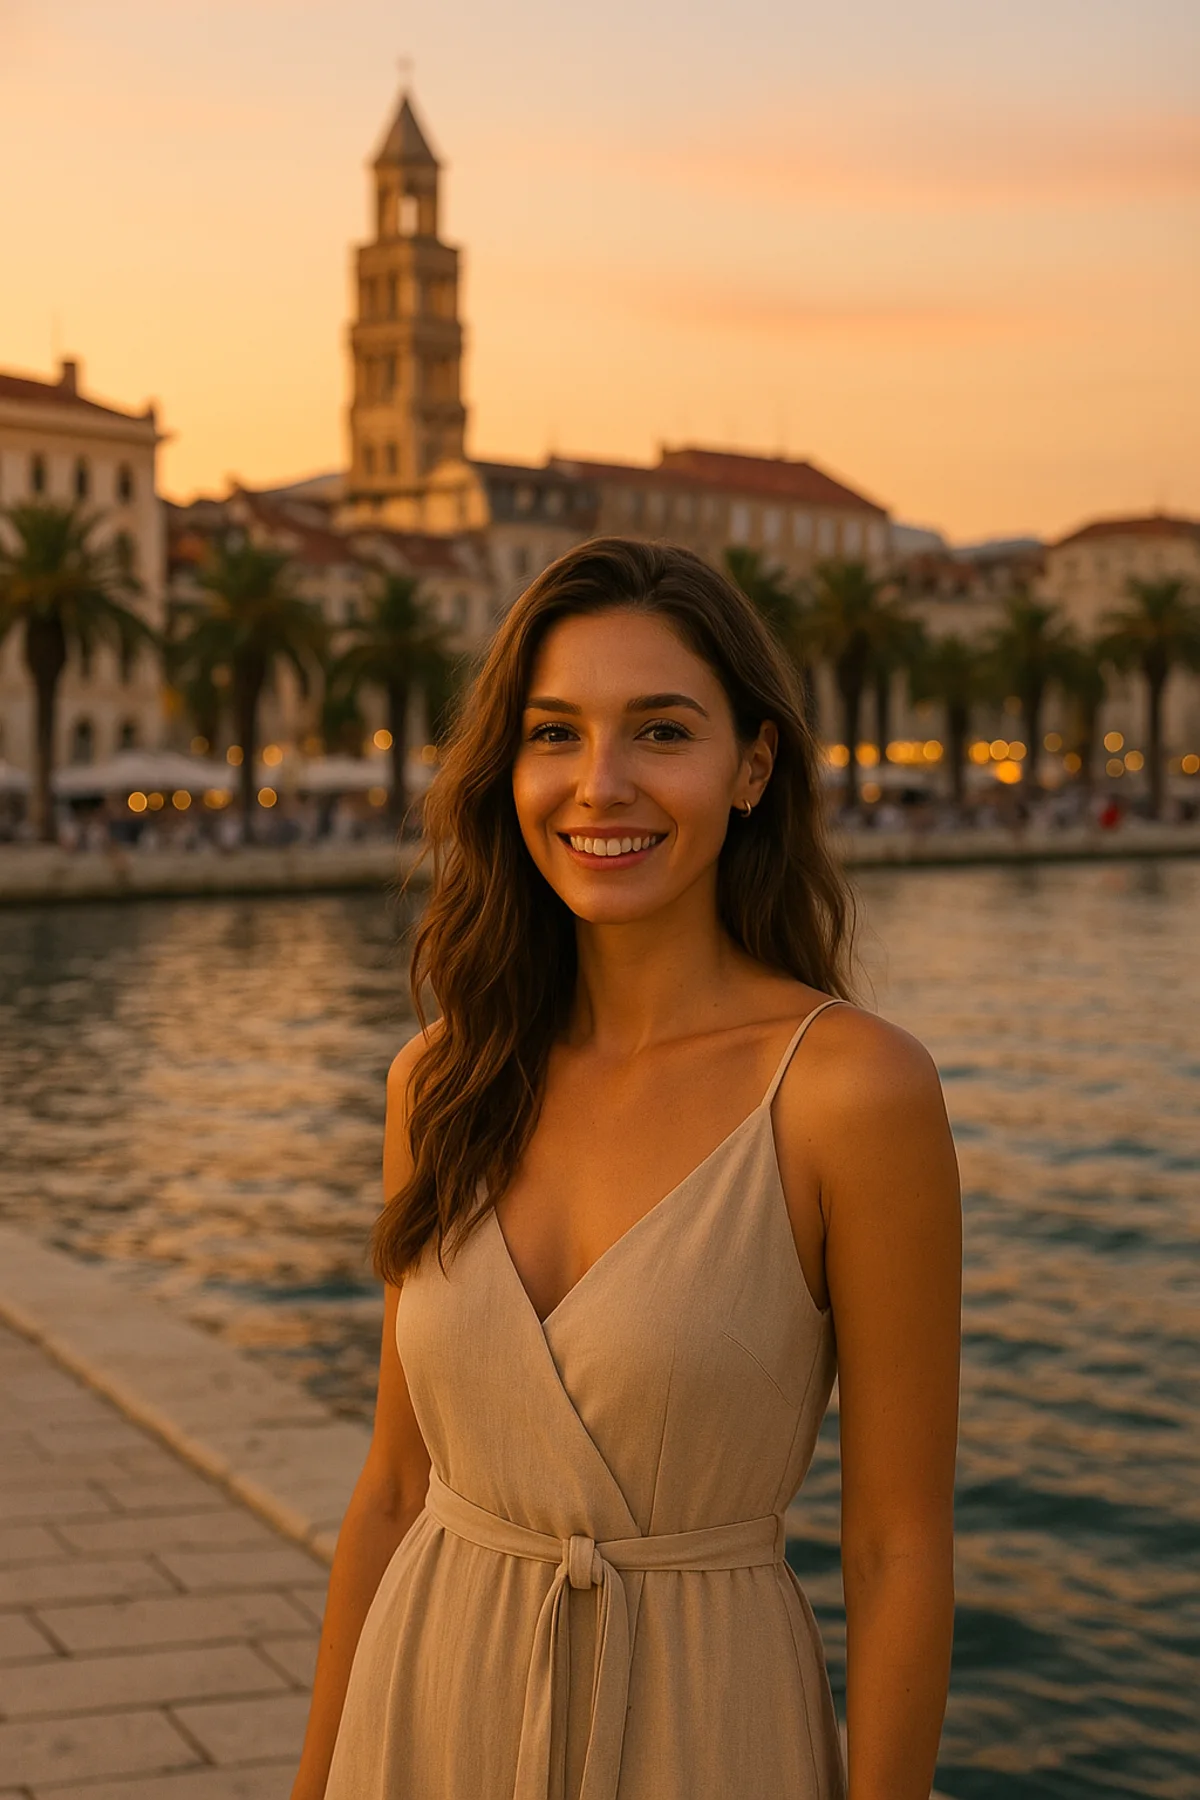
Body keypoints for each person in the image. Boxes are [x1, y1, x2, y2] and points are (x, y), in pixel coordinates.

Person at [291, 539, 961, 1800]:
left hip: (708, 1726)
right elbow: (391, 1492)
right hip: (425, 1709)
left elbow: (895, 1546)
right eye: (556, 734)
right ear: (510, 768)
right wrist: (313, 1783)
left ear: (751, 766)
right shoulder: (436, 1083)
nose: (601, 786)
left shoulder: (852, 1090)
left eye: (660, 732)